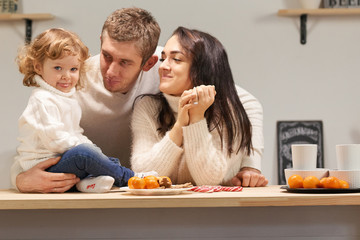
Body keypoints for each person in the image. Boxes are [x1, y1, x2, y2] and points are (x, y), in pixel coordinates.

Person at [13, 8, 265, 193]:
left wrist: (251, 165)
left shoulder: (165, 69)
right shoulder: (73, 77)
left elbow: (245, 101)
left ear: (149, 63)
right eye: (107, 56)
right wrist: (20, 180)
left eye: (125, 63)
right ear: (101, 43)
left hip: (135, 188)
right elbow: (37, 131)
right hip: (94, 184)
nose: (111, 70)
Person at [12, 28, 156, 193]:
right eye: (58, 68)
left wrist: (94, 152)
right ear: (38, 67)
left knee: (96, 155)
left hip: (60, 161)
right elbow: (56, 140)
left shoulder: (65, 97)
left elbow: (74, 133)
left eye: (73, 69)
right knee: (84, 154)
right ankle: (131, 178)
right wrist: (87, 149)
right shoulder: (42, 99)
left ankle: (87, 184)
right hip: (44, 168)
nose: (66, 76)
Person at [131, 27, 268, 186]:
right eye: (163, 59)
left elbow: (208, 180)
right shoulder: (147, 107)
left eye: (176, 59)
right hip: (156, 208)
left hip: (215, 208)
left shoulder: (230, 111)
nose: (163, 67)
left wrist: (196, 118)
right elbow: (144, 173)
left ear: (203, 69)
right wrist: (180, 126)